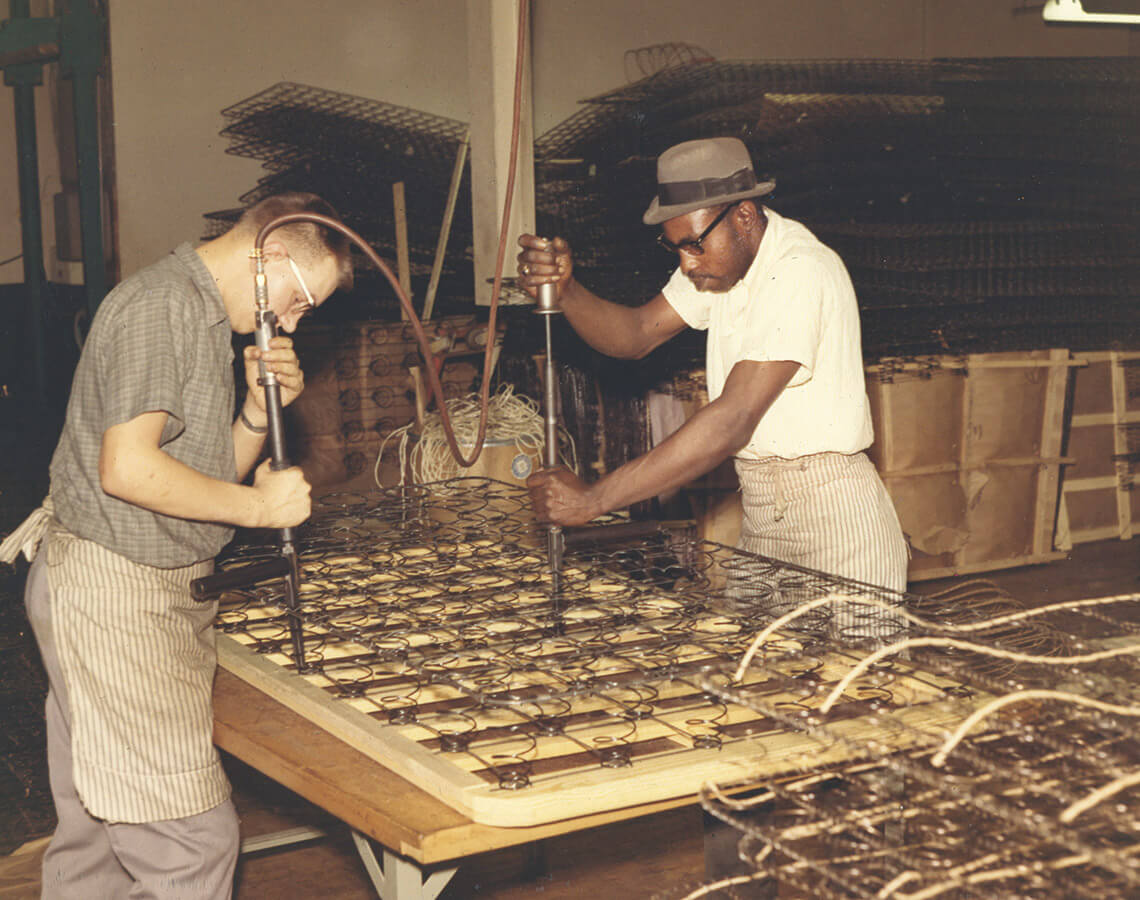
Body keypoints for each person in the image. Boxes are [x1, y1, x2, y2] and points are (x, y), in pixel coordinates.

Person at [0, 192, 353, 898]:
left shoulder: (196, 314)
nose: (288, 322)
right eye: (298, 302)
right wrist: (260, 506)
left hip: (124, 586)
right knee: (193, 841)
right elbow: (128, 470)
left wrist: (255, 414)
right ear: (271, 255)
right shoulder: (161, 307)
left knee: (99, 838)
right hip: (112, 593)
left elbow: (194, 480)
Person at [516, 137, 908, 606]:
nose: (686, 262)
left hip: (835, 521)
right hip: (764, 514)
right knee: (753, 670)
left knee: (855, 677)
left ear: (743, 215)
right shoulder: (720, 265)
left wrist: (593, 501)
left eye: (695, 245)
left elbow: (732, 418)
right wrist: (567, 290)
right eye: (675, 247)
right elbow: (637, 333)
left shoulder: (800, 270)